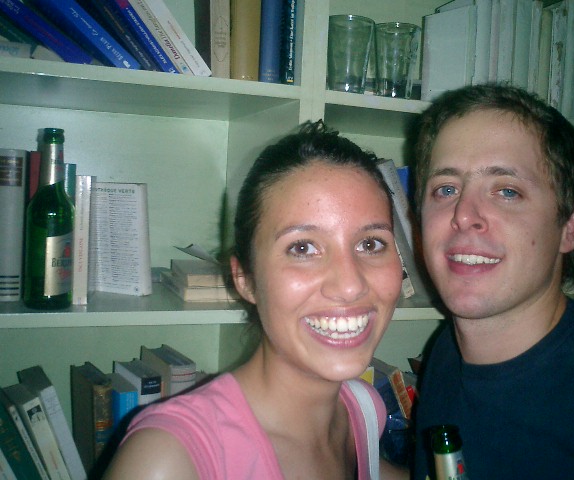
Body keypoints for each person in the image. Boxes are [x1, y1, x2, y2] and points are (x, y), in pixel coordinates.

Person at [103, 121, 407, 479]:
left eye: (370, 244)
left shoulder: (362, 408)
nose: (350, 285)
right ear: (245, 279)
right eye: (302, 248)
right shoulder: (167, 459)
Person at [410, 84, 574, 479]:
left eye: (506, 191)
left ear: (571, 226)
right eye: (446, 189)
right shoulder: (445, 353)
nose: (463, 215)